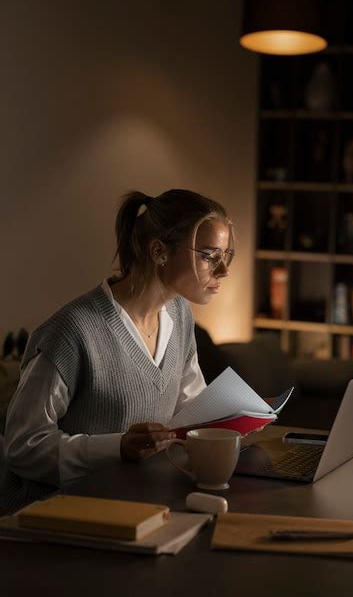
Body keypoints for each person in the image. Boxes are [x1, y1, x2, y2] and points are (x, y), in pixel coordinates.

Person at [0, 189, 234, 515]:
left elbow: (190, 411)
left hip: (136, 508)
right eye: (209, 256)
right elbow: (22, 447)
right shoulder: (72, 331)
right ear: (159, 251)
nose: (223, 271)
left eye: (226, 256)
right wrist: (118, 447)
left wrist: (238, 418)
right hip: (51, 520)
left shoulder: (180, 316)